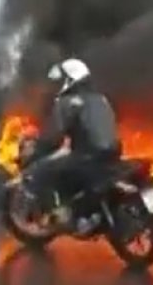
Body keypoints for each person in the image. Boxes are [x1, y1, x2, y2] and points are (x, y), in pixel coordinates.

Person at [20, 57, 122, 229]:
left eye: (60, 81)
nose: (56, 86)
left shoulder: (67, 103)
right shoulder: (101, 98)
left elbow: (53, 138)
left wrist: (36, 153)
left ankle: (62, 215)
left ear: (70, 79)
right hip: (113, 154)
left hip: (87, 156)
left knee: (40, 172)